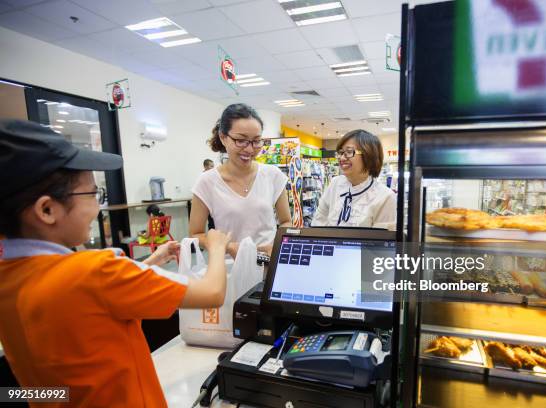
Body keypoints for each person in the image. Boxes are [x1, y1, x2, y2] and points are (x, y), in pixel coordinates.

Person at [0, 119, 231, 407]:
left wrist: (154, 260)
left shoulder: (10, 278)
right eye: (93, 194)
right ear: (47, 210)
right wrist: (218, 245)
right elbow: (212, 293)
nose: (98, 206)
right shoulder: (98, 271)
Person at [190, 104, 292, 257]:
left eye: (256, 141)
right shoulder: (207, 182)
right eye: (241, 140)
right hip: (228, 267)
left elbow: (286, 222)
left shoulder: (272, 175)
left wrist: (278, 245)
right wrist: (228, 247)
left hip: (269, 266)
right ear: (223, 137)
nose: (250, 149)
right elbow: (195, 234)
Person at [312, 129, 397, 228]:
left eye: (349, 152)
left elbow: (382, 240)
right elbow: (318, 222)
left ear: (368, 155)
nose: (342, 158)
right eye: (341, 152)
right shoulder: (335, 183)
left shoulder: (385, 197)